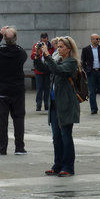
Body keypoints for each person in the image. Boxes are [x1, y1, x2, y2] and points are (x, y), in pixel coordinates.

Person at [35, 36, 80, 177]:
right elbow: (44, 68)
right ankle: (57, 165)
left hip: (66, 104)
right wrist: (38, 56)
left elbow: (57, 70)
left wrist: (48, 55)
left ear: (69, 49)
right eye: (58, 46)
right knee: (56, 137)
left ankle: (68, 167)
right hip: (55, 104)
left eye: (61, 47)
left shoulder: (72, 62)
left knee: (66, 136)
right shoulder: (58, 60)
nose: (58, 49)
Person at [0, 26, 28, 155]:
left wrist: (0, 34)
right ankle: (19, 147)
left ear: (4, 38)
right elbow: (23, 57)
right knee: (19, 119)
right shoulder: (21, 53)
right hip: (17, 91)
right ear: (16, 38)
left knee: (2, 120)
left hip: (2, 91)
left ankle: (2, 148)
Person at [81, 34, 100, 114]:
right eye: (96, 39)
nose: (98, 40)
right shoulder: (86, 49)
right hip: (91, 72)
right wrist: (86, 69)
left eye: (99, 39)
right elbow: (83, 61)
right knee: (92, 92)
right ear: (92, 40)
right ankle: (94, 109)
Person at [30, 33, 54, 111]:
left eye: (45, 39)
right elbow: (32, 56)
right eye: (42, 39)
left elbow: (53, 56)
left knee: (47, 88)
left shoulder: (50, 46)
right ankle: (38, 105)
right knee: (39, 88)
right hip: (39, 71)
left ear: (47, 39)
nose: (43, 40)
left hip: (47, 70)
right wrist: (38, 53)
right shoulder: (37, 45)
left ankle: (47, 105)